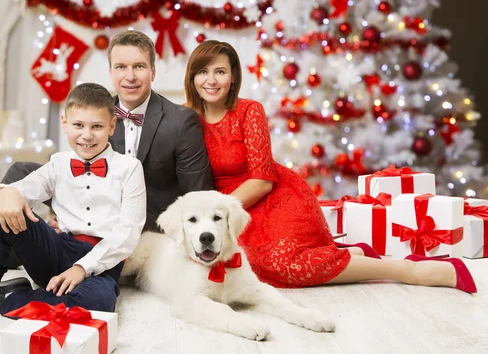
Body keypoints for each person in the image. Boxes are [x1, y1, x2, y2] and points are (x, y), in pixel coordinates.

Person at [0, 30, 214, 286]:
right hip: (99, 198)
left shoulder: (179, 120)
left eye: (139, 67)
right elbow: (72, 166)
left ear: (153, 71)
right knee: (20, 172)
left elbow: (197, 194)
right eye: (121, 67)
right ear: (112, 71)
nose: (130, 76)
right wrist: (69, 204)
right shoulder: (99, 109)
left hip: (140, 217)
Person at [182, 39, 477, 293]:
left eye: (220, 71)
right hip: (226, 212)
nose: (211, 80)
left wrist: (219, 209)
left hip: (270, 198)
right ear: (192, 77)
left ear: (233, 78)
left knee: (287, 265)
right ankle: (357, 255)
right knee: (253, 268)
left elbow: (262, 180)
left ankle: (404, 270)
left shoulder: (249, 111)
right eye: (203, 72)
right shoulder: (184, 119)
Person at [0, 83, 147, 314]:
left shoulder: (130, 168)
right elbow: (25, 187)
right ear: (65, 123)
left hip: (102, 262)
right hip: (57, 249)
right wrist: (8, 192)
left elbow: (127, 234)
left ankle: (7, 295)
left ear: (112, 126)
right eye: (78, 125)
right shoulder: (58, 163)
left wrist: (82, 268)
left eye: (97, 126)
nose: (87, 135)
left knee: (98, 303)